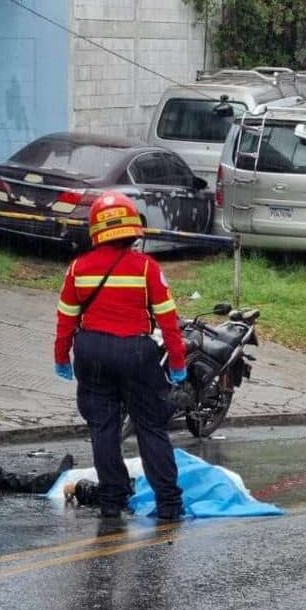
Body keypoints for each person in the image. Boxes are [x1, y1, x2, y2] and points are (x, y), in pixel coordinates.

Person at [53, 191, 188, 521]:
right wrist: (177, 362)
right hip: (135, 352)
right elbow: (169, 321)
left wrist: (61, 357)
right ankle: (169, 504)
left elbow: (66, 319)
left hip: (91, 352)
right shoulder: (147, 269)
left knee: (103, 428)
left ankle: (112, 501)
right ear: (132, 230)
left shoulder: (78, 269)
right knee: (150, 427)